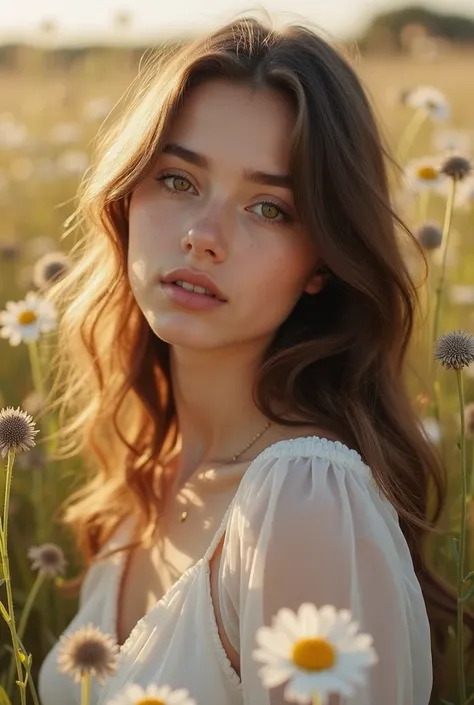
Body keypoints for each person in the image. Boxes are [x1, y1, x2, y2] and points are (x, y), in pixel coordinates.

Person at [37, 13, 470, 705]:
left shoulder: (304, 500)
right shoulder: (148, 474)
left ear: (321, 262)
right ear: (125, 198)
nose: (204, 237)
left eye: (269, 208)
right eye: (178, 180)